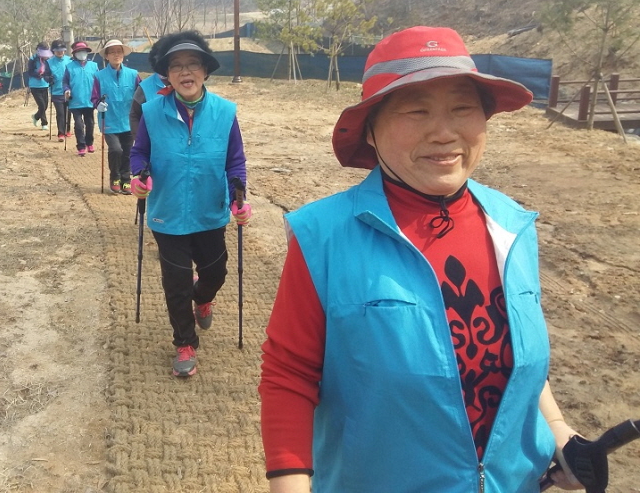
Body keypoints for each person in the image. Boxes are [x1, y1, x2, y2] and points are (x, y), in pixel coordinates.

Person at [259, 26, 583, 493]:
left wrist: (560, 435)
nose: (444, 132)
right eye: (417, 110)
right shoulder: (323, 237)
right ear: (370, 131)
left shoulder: (512, 226)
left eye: (462, 108)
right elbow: (290, 376)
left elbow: (511, 359)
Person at [129, 30, 251, 378]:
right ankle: (184, 342)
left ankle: (204, 296)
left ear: (205, 71)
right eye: (176, 66)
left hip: (210, 211)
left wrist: (239, 198)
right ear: (166, 75)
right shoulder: (152, 112)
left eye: (193, 64)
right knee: (176, 282)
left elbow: (235, 161)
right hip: (167, 214)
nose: (185, 72)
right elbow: (139, 152)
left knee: (216, 272)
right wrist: (139, 175)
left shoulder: (225, 112)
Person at [93, 39, 141, 194]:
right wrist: (98, 105)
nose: (116, 55)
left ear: (123, 54)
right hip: (109, 121)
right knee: (116, 150)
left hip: (128, 121)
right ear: (106, 56)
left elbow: (141, 95)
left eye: (119, 51)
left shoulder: (133, 74)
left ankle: (126, 179)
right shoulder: (99, 76)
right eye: (112, 52)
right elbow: (94, 97)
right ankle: (115, 177)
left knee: (128, 151)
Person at [63, 41, 97, 156]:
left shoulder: (94, 66)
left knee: (90, 123)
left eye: (83, 51)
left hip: (90, 101)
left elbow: (98, 82)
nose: (81, 54)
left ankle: (89, 143)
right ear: (74, 54)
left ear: (87, 52)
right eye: (79, 52)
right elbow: (65, 82)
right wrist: (66, 90)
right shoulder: (69, 67)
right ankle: (81, 146)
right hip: (75, 101)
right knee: (78, 125)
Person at [129, 48, 168, 139]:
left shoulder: (183, 84)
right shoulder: (145, 87)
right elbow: (134, 115)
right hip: (153, 141)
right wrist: (140, 140)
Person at [47, 39, 72, 141]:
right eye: (57, 50)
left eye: (62, 50)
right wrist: (48, 79)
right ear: (53, 51)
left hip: (68, 90)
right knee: (60, 113)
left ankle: (67, 130)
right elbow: (45, 75)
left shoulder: (70, 60)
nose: (60, 52)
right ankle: (61, 133)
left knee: (68, 112)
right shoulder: (49, 62)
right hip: (56, 91)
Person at [28, 42, 52, 131]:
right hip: (35, 86)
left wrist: (48, 77)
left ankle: (36, 116)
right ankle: (44, 123)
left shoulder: (48, 60)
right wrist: (38, 75)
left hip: (45, 85)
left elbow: (49, 71)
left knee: (45, 106)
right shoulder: (32, 59)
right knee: (41, 105)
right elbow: (30, 72)